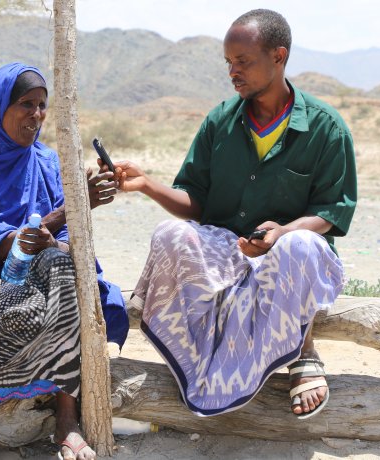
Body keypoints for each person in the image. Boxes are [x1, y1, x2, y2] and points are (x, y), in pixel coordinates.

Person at [109, 9, 356, 419]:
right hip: (224, 254)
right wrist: (147, 183)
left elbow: (332, 210)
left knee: (300, 244)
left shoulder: (326, 128)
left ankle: (303, 354)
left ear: (279, 56)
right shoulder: (219, 122)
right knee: (171, 234)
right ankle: (201, 362)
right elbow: (196, 203)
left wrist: (282, 233)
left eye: (243, 62)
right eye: (228, 63)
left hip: (288, 260)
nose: (233, 72)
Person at [0, 63, 128, 460]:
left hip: (49, 290)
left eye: (41, 106)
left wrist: (72, 223)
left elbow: (68, 241)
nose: (36, 116)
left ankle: (66, 418)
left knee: (61, 267)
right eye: (25, 104)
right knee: (28, 311)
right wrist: (71, 208)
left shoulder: (47, 162)